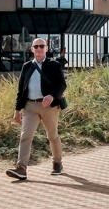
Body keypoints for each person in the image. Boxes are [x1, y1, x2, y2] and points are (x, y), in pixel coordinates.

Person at [7, 37, 66, 181]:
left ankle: (57, 163)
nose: (39, 49)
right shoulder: (27, 66)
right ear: (32, 49)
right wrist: (17, 110)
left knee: (52, 135)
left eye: (41, 46)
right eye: (36, 46)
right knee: (25, 136)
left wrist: (52, 96)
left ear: (46, 48)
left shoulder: (54, 65)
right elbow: (21, 90)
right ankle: (21, 169)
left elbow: (62, 85)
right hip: (30, 107)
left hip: (49, 107)